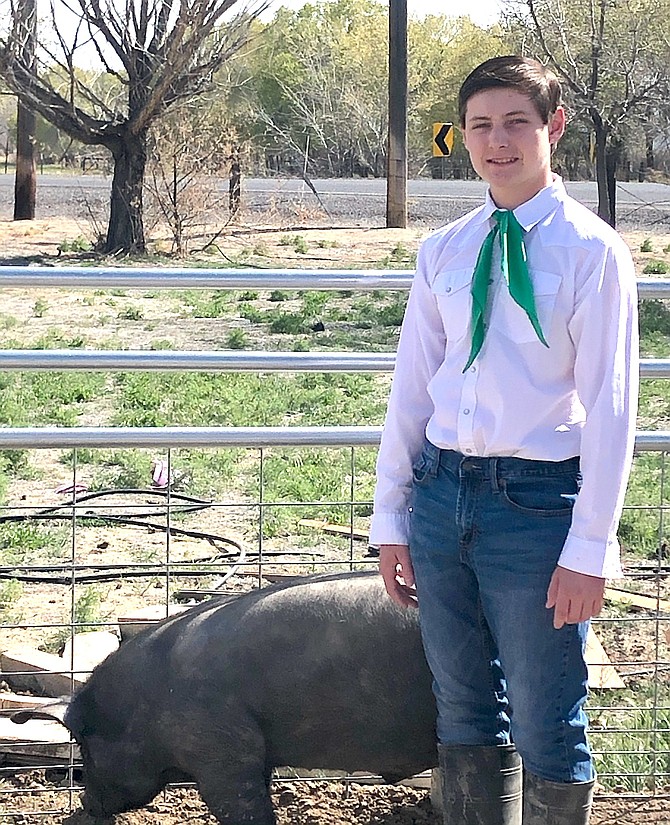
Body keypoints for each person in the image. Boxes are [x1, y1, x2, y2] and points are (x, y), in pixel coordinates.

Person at [370, 55, 639, 825]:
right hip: (443, 492)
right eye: (481, 125)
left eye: (517, 122)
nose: (498, 141)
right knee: (461, 708)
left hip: (537, 506)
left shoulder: (593, 254)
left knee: (546, 714)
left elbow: (612, 409)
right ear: (462, 137)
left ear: (554, 127)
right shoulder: (445, 250)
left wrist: (590, 548)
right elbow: (413, 389)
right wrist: (393, 518)